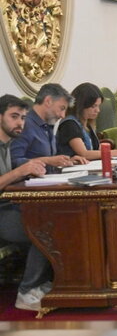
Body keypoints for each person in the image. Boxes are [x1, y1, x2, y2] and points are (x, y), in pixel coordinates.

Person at [0, 95, 55, 311]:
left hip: (9, 205)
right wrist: (19, 172)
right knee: (42, 228)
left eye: (23, 117)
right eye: (14, 117)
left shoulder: (7, 145)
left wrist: (28, 173)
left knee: (57, 217)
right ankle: (26, 292)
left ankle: (43, 283)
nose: (20, 123)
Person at [56, 83, 117, 160]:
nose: (98, 110)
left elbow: (96, 149)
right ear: (81, 105)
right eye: (94, 106)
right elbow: (84, 154)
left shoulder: (87, 124)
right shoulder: (69, 124)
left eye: (98, 106)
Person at [10, 83, 78, 170]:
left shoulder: (48, 126)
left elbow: (51, 160)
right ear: (48, 101)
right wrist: (47, 160)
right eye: (62, 108)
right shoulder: (24, 125)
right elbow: (13, 162)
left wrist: (67, 161)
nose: (63, 115)